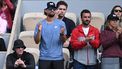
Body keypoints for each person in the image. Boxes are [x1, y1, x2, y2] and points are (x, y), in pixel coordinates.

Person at [34, 1, 67, 69]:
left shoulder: (61, 23)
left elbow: (63, 41)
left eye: (53, 9)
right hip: (44, 58)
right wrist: (39, 31)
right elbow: (37, 41)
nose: (52, 10)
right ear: (46, 10)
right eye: (50, 9)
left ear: (55, 11)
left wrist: (62, 34)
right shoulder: (40, 24)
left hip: (58, 58)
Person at [56, 1, 76, 69]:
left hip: (66, 46)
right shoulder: (51, 21)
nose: (62, 11)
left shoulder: (70, 22)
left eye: (64, 9)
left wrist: (67, 41)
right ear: (56, 9)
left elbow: (74, 34)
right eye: (60, 9)